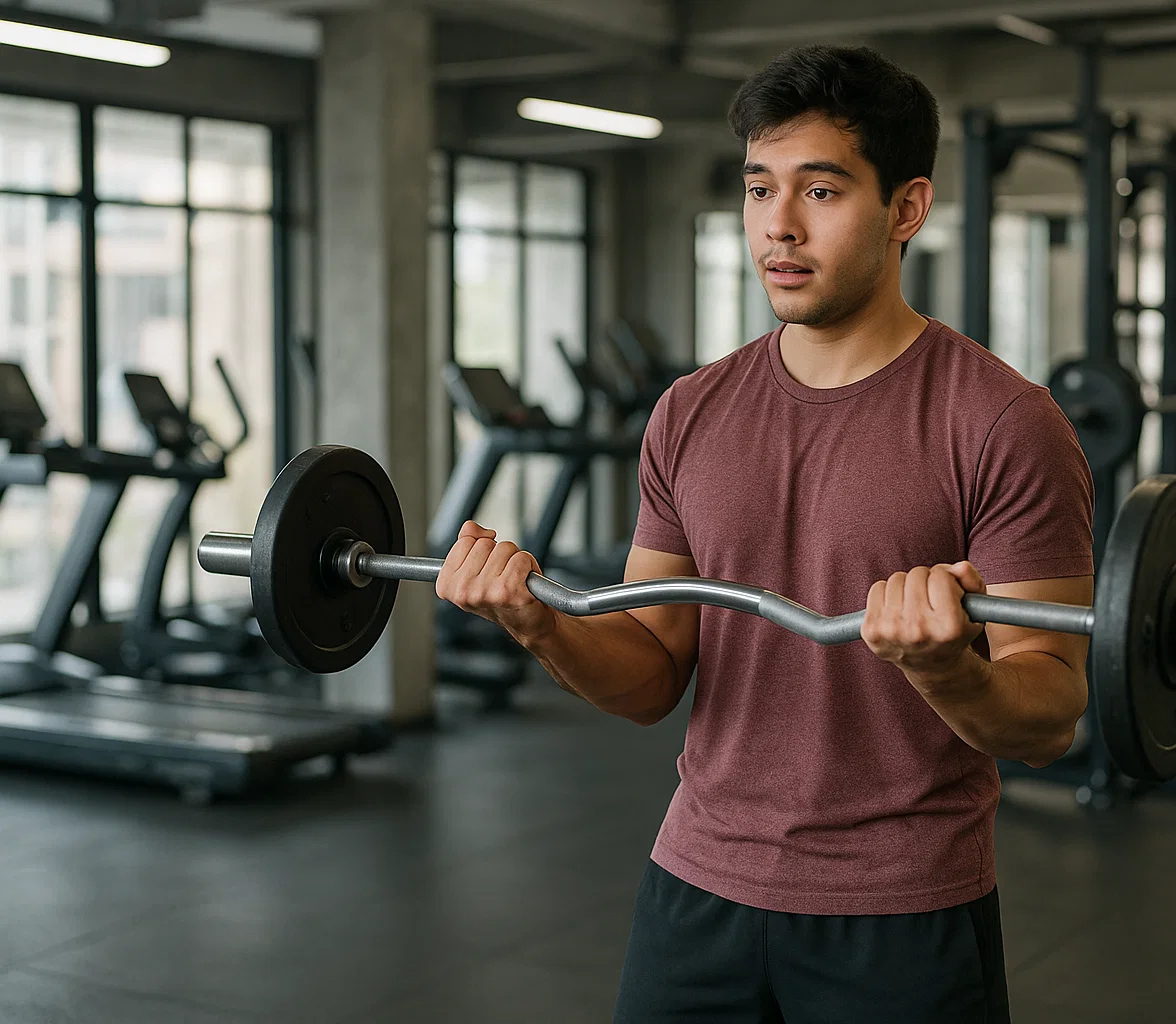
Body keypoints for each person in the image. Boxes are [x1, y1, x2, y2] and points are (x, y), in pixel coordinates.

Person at [438, 44, 1095, 1024]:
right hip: (694, 886)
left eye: (821, 191)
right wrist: (539, 623)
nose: (778, 227)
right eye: (759, 190)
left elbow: (1049, 714)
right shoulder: (691, 411)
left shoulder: (1001, 421)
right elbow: (652, 673)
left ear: (906, 209)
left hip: (901, 910)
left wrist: (950, 668)